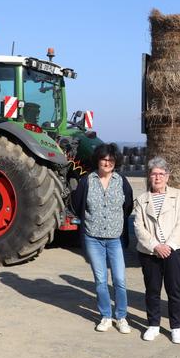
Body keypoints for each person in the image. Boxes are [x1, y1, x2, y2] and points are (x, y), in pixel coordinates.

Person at [71, 143, 134, 334]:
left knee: (119, 279)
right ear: (98, 160)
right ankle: (106, 316)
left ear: (115, 162)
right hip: (93, 238)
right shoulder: (87, 181)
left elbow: (128, 206)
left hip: (115, 239)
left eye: (111, 160)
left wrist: (117, 223)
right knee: (100, 279)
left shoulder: (121, 181)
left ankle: (121, 317)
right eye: (104, 159)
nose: (107, 163)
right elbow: (77, 204)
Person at [133, 157, 180, 343]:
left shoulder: (177, 195)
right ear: (149, 176)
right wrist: (155, 246)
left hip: (174, 250)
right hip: (150, 252)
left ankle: (175, 327)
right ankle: (153, 325)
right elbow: (138, 227)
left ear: (167, 176)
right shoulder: (142, 200)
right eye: (154, 173)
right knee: (152, 289)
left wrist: (169, 246)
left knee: (174, 290)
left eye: (161, 174)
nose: (157, 177)